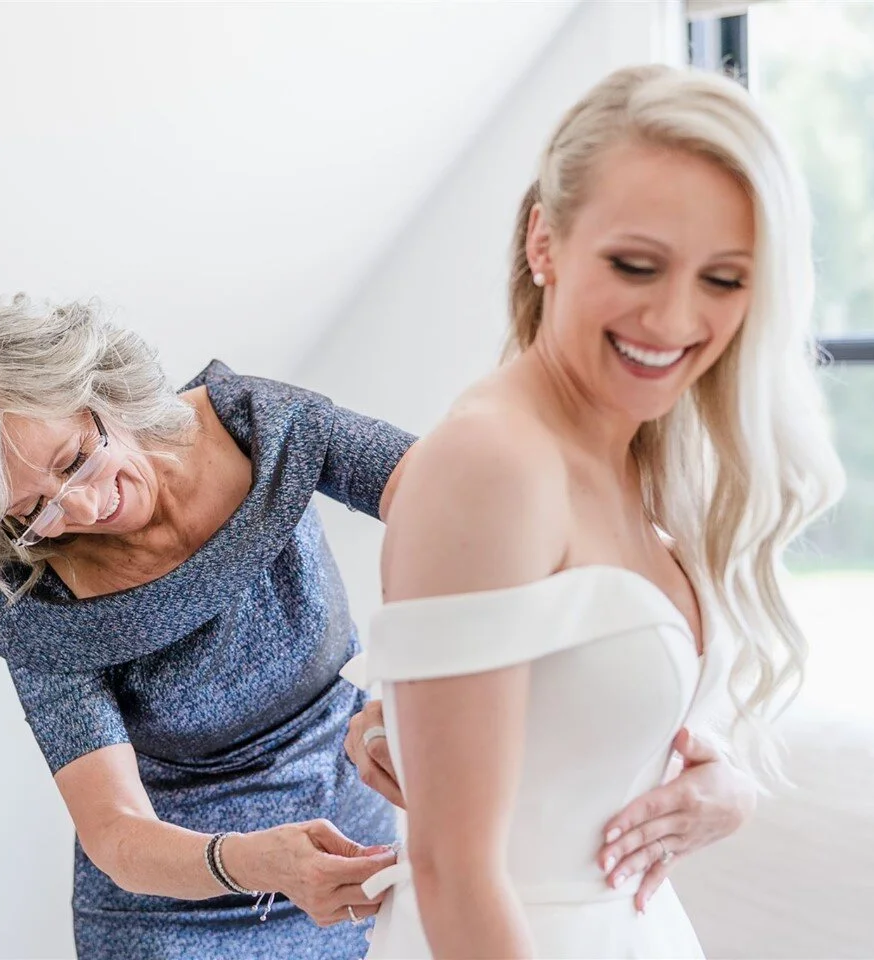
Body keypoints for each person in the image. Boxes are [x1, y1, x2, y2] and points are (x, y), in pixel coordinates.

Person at [0, 289, 764, 956]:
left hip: (361, 859)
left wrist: (689, 739)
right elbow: (114, 831)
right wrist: (251, 863)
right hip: (177, 907)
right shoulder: (38, 605)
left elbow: (480, 520)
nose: (79, 507)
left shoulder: (257, 425)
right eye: (32, 510)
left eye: (76, 459)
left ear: (100, 392)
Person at [343, 64, 844, 959]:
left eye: (724, 279)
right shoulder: (490, 463)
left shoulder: (647, 454)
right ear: (545, 241)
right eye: (635, 265)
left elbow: (588, 724)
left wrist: (722, 787)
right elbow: (455, 873)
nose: (674, 318)